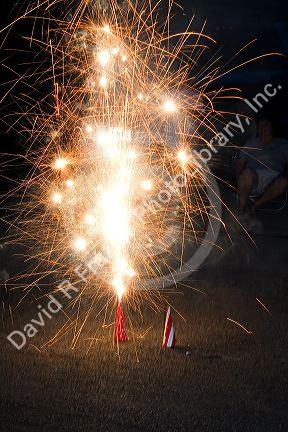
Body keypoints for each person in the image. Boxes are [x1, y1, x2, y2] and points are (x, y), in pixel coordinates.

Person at [236, 118, 288, 215]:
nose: (262, 128)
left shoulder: (283, 144)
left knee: (283, 182)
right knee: (246, 174)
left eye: (266, 125)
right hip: (254, 174)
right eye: (260, 126)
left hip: (274, 176)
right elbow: (240, 162)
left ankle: (255, 205)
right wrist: (238, 176)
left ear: (272, 127)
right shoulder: (251, 143)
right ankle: (241, 209)